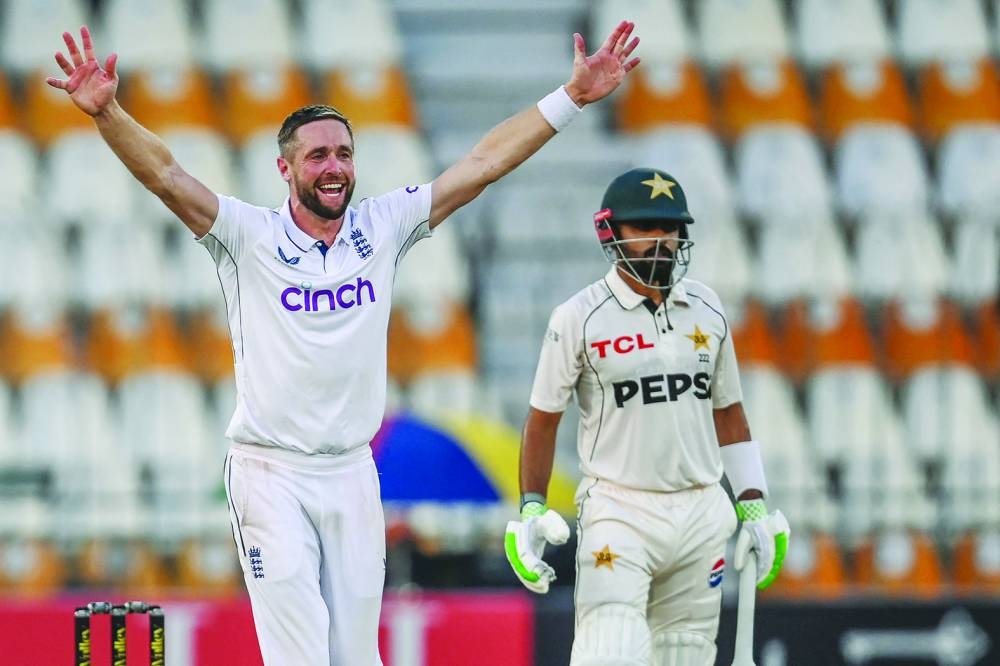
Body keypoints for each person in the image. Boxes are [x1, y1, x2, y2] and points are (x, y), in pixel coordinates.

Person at [47, 22, 640, 666]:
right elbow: (165, 174)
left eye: (344, 154)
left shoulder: (382, 226)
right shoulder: (247, 237)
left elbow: (483, 164)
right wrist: (108, 113)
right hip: (270, 471)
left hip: (353, 470)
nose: (334, 168)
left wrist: (571, 99)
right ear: (285, 167)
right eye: (317, 156)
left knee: (358, 657)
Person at [504, 168, 791, 665]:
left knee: (684, 655)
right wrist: (531, 506)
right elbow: (543, 418)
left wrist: (753, 503)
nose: (661, 241)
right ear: (610, 233)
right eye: (644, 228)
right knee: (608, 650)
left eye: (670, 227)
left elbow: (729, 411)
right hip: (619, 508)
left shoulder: (707, 307)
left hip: (701, 510)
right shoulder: (579, 316)